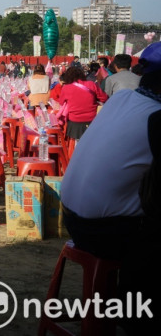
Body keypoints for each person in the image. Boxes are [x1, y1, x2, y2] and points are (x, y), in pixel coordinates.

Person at [61, 42, 161, 335]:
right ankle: (136, 318)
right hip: (104, 231)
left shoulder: (120, 100)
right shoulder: (156, 116)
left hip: (73, 218)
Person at [58, 65, 108, 140]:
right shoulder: (92, 84)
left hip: (74, 122)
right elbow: (104, 98)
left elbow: (61, 103)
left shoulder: (66, 88)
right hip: (92, 120)